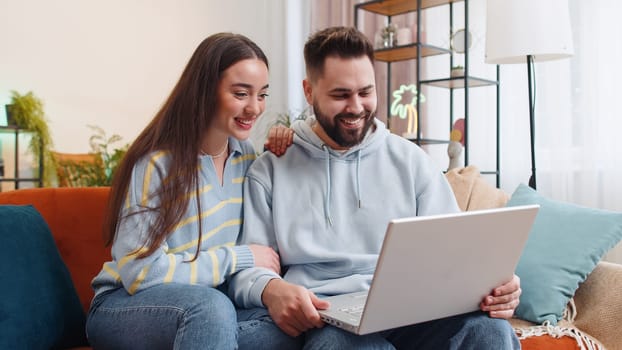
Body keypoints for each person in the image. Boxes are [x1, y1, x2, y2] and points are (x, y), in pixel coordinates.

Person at [230, 26, 522, 349]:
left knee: (491, 333)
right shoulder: (271, 169)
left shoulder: (411, 161)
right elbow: (246, 271)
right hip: (329, 315)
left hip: (412, 312)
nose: (356, 107)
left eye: (365, 92)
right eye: (341, 95)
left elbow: (457, 253)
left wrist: (499, 286)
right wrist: (272, 290)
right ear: (309, 92)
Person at [86, 32, 284, 350]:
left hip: (207, 308)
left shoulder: (246, 157)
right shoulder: (158, 164)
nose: (255, 108)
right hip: (126, 305)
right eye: (241, 93)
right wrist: (240, 257)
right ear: (206, 90)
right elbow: (141, 273)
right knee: (211, 310)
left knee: (285, 326)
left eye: (262, 95)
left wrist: (290, 136)